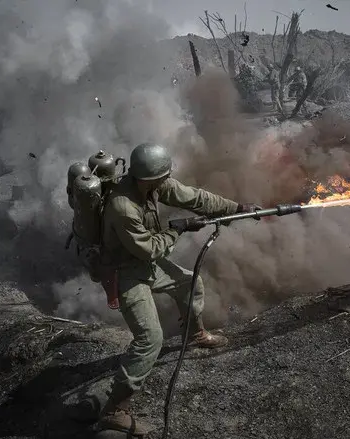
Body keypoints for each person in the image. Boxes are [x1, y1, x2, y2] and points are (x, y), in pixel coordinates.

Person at [94, 142, 261, 436]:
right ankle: (114, 411)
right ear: (147, 178)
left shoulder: (154, 185)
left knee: (189, 282)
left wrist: (237, 208)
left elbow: (194, 198)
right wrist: (179, 228)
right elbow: (149, 249)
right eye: (163, 176)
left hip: (143, 262)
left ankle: (195, 332)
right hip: (125, 272)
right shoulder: (123, 206)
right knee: (149, 339)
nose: (167, 180)